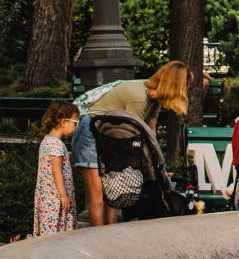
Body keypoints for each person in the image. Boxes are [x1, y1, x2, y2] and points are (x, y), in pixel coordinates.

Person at [72, 60, 192, 226]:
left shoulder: (154, 100)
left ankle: (111, 240)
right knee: (98, 198)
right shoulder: (139, 98)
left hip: (110, 136)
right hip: (91, 133)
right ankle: (98, 245)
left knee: (113, 197)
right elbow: (133, 137)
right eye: (183, 87)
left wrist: (159, 168)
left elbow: (150, 135)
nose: (184, 92)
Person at [35, 101, 79, 236]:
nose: (77, 126)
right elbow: (56, 170)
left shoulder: (47, 140)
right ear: (63, 122)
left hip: (48, 197)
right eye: (75, 122)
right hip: (56, 200)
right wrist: (63, 195)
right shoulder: (56, 145)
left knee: (49, 232)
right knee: (59, 232)